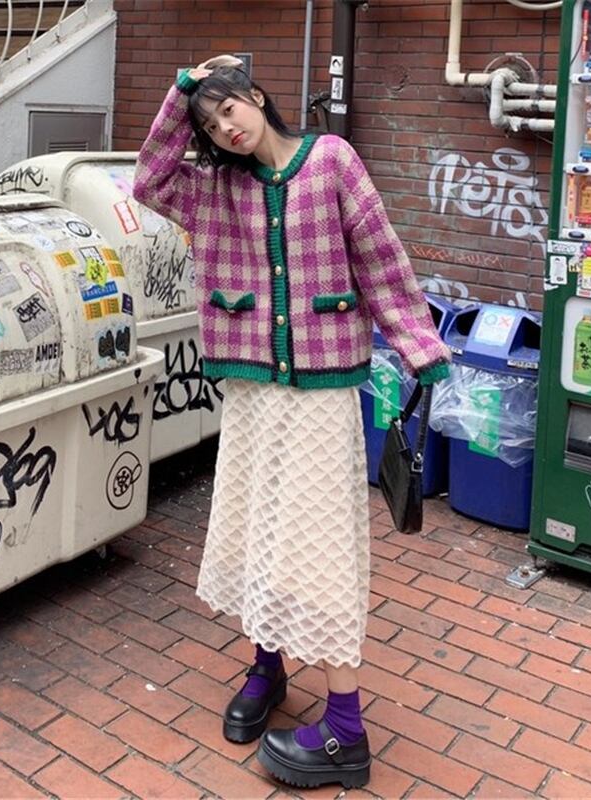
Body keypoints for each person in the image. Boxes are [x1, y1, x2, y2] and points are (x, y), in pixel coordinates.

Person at [133, 54, 450, 790]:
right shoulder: (216, 187)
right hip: (252, 389)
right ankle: (266, 666)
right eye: (211, 124)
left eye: (229, 109)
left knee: (321, 545)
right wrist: (181, 93)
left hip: (321, 392)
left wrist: (420, 347)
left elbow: (380, 259)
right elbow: (147, 180)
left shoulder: (331, 160)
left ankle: (345, 728)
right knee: (257, 528)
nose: (225, 128)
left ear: (256, 96)